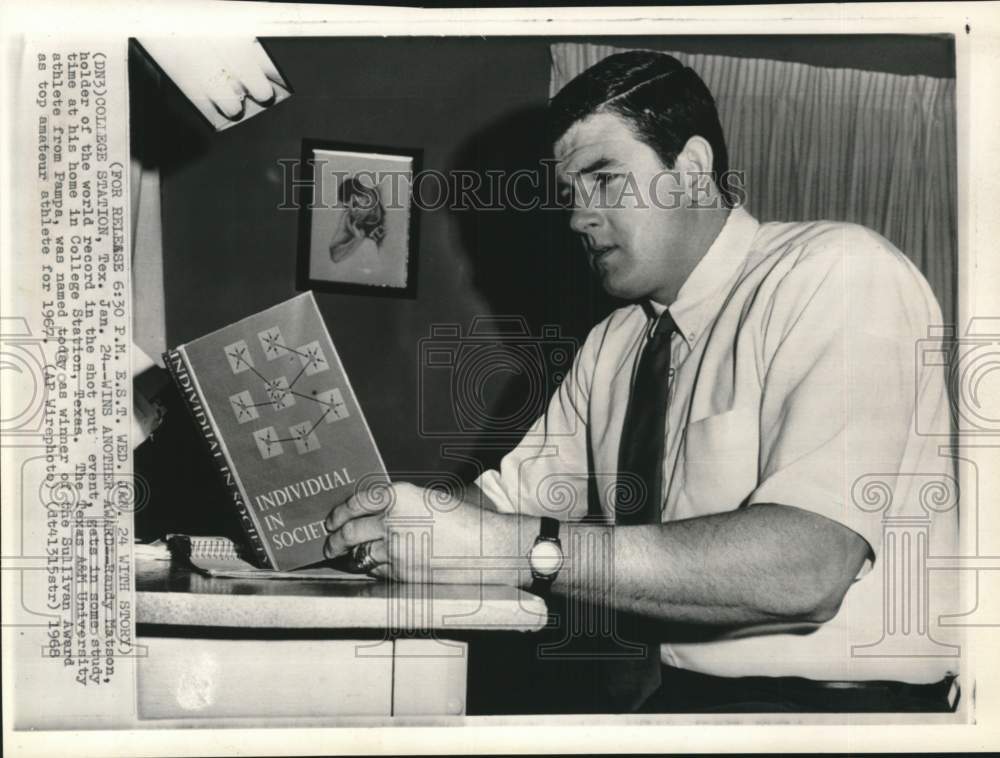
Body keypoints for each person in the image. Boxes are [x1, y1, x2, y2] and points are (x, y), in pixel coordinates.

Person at [323, 51, 959, 713]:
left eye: (604, 181)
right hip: (677, 706)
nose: (577, 218)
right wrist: (386, 521)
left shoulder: (836, 272)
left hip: (845, 716)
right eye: (570, 195)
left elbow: (810, 566)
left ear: (689, 169)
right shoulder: (615, 344)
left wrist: (517, 551)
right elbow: (500, 511)